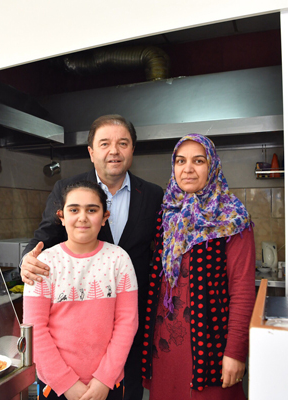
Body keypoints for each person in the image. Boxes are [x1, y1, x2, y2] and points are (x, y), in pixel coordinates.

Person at [21, 115, 164, 400]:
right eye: (105, 143)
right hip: (75, 330)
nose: (114, 151)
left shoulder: (152, 194)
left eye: (123, 143)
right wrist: (28, 258)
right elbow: (45, 234)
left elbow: (160, 250)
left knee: (128, 391)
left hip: (131, 319)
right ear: (91, 151)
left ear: (132, 149)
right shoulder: (68, 189)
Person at [141, 134, 256, 400]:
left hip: (210, 346)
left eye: (198, 161)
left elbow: (242, 290)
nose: (188, 169)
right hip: (164, 346)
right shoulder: (165, 215)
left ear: (212, 166)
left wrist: (236, 352)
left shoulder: (232, 218)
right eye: (180, 161)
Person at [23, 181, 139, 400]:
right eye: (74, 210)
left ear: (105, 217)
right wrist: (66, 383)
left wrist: (104, 379)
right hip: (55, 386)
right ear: (61, 216)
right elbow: (35, 329)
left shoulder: (119, 259)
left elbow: (127, 323)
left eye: (92, 210)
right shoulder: (45, 262)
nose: (82, 217)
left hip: (108, 384)